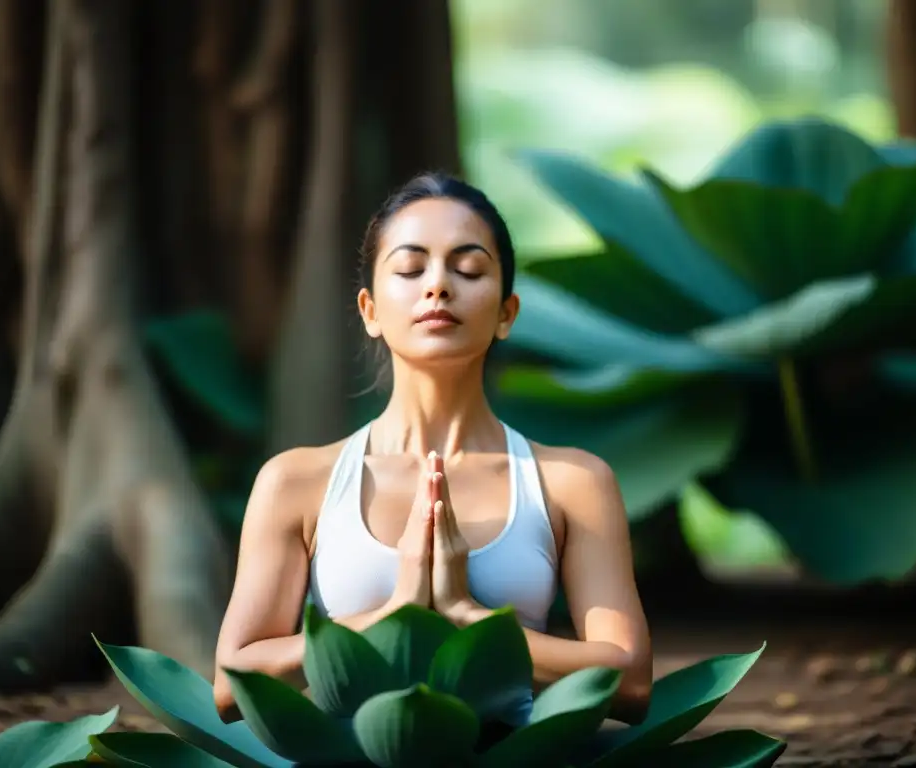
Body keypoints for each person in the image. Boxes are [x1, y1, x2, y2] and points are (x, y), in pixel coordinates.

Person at [212, 172, 652, 726]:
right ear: (370, 311)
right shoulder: (297, 481)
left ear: (506, 313)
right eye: (410, 268)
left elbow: (631, 681)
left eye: (468, 269)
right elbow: (231, 685)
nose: (438, 285)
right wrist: (394, 616)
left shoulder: (571, 481)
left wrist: (469, 617)